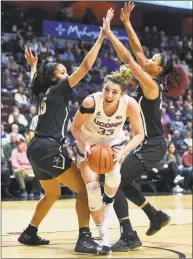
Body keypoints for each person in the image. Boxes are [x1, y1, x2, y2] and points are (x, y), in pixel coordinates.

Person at [18, 21, 112, 255]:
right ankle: (84, 239)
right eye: (62, 72)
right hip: (48, 147)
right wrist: (101, 38)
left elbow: (34, 83)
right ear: (54, 78)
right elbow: (87, 65)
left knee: (52, 193)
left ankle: (30, 232)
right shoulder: (59, 88)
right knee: (84, 189)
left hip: (35, 147)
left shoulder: (43, 93)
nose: (67, 74)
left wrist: (34, 66)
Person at [102, 4, 189, 251]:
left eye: (152, 60)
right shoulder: (150, 78)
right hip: (147, 144)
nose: (147, 59)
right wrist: (127, 23)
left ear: (158, 69)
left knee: (114, 183)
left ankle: (129, 235)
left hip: (152, 145)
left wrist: (109, 33)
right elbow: (138, 51)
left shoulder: (152, 85)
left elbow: (129, 58)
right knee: (123, 183)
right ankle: (155, 216)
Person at [71, 65, 144, 250]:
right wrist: (86, 145)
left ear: (122, 94)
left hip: (114, 146)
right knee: (93, 190)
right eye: (106, 90)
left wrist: (123, 152)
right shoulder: (91, 102)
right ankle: (103, 234)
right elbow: (75, 127)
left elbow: (139, 134)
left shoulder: (130, 104)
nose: (109, 95)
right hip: (89, 146)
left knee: (114, 178)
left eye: (114, 92)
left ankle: (109, 203)